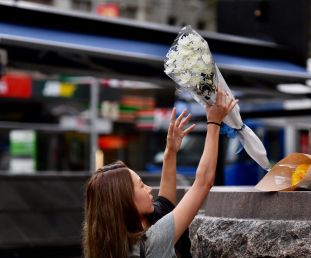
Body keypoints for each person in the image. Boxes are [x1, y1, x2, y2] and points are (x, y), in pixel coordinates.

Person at [82, 87, 238, 258]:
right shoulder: (152, 243)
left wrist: (170, 153)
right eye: (141, 186)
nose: (149, 188)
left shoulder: (115, 246)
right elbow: (203, 183)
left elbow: (165, 205)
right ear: (127, 203)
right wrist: (214, 122)